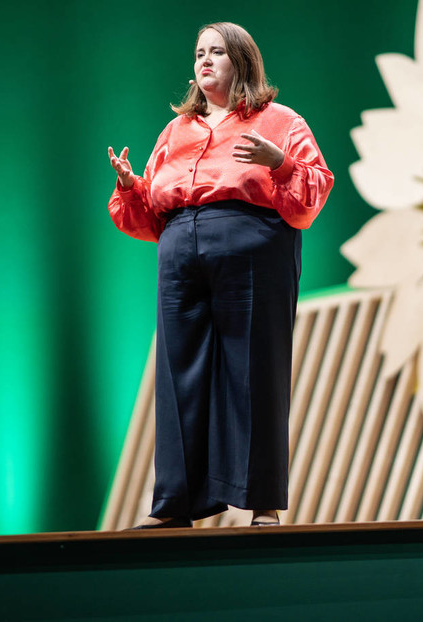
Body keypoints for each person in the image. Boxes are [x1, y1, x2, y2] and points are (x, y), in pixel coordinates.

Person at [107, 22, 333, 528]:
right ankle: (176, 503)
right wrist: (131, 187)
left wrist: (279, 163)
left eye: (217, 52)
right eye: (199, 53)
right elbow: (147, 218)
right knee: (177, 371)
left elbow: (312, 196)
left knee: (252, 367)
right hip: (180, 249)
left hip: (249, 245)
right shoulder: (176, 132)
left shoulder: (280, 121)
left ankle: (262, 503)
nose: (204, 60)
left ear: (242, 62)